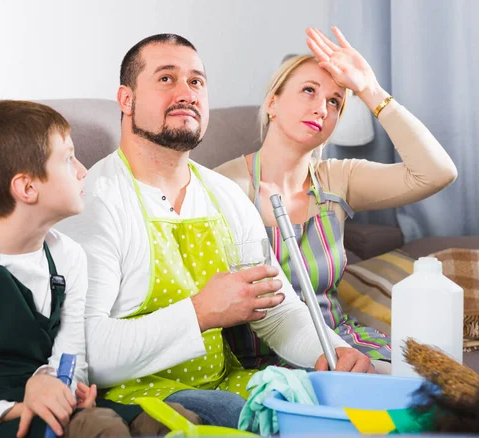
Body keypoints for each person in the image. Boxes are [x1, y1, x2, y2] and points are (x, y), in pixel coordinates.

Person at [65, 33, 374, 430]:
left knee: (337, 409)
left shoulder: (225, 195)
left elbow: (277, 313)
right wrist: (201, 312)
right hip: (144, 402)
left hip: (225, 386)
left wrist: (335, 352)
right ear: (126, 100)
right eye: (166, 79)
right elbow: (90, 352)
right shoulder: (95, 201)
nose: (187, 93)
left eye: (196, 82)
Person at [0, 100, 200, 437]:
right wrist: (21, 408)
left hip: (48, 409)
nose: (84, 170)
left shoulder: (69, 256)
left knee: (173, 418)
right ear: (27, 188)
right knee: (101, 428)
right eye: (69, 158)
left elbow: (72, 365)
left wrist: (62, 388)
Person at [215, 27, 457, 372]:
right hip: (260, 361)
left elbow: (437, 173)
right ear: (272, 103)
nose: (322, 109)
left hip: (344, 348)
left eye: (335, 102)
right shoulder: (225, 186)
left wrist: (370, 90)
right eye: (308, 91)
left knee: (432, 392)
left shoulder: (337, 178)